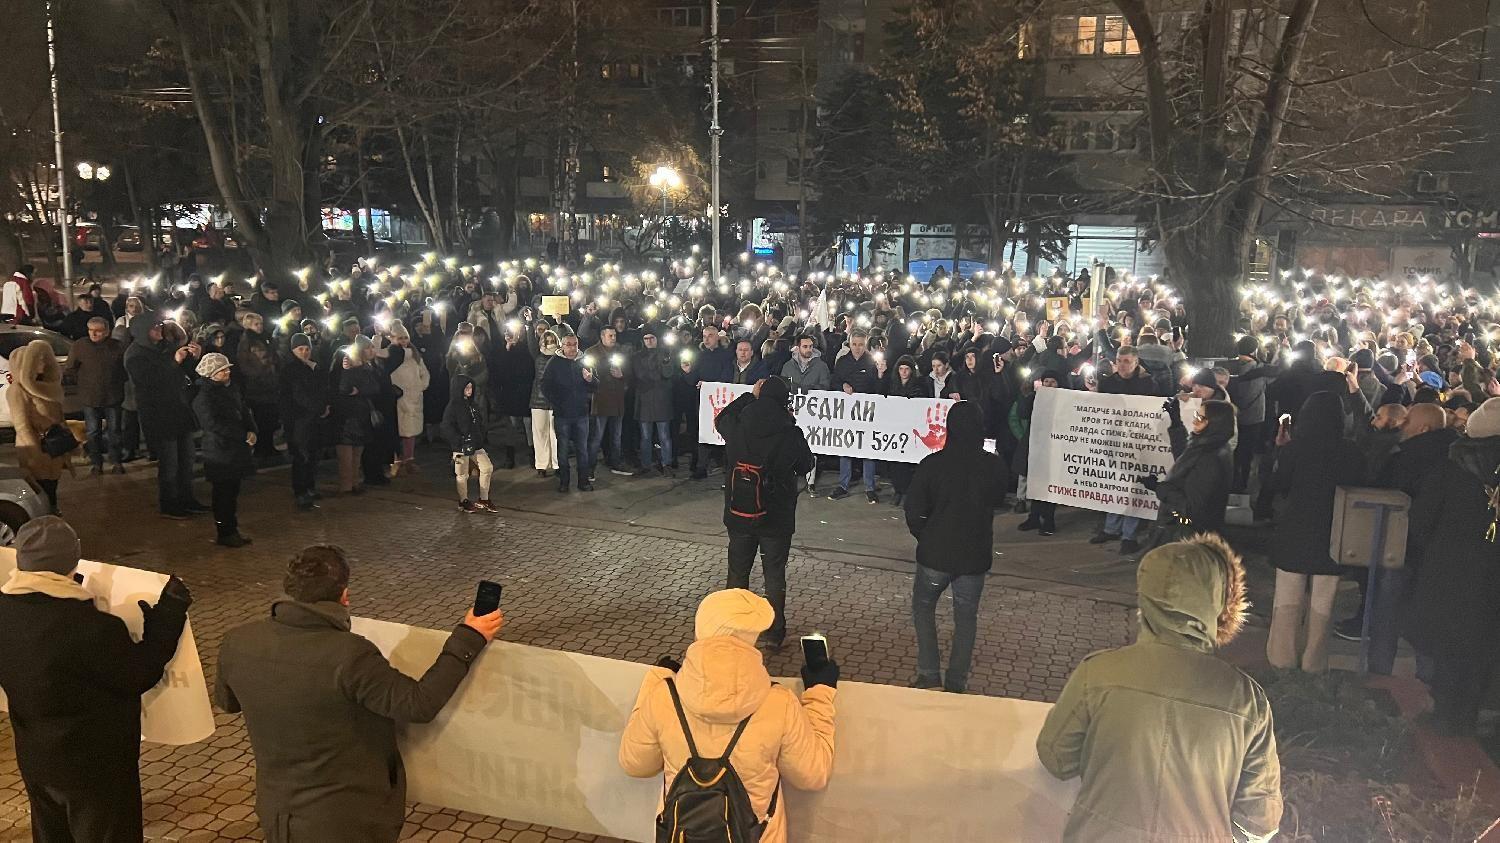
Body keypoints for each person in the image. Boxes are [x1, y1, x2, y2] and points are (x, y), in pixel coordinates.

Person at [215, 545, 504, 842]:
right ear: (344, 595)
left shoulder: (237, 641)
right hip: (345, 820)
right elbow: (419, 705)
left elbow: (228, 702)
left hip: (278, 811)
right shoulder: (350, 654)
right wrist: (470, 636)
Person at [1037, 536, 1282, 841]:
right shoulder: (1247, 700)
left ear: (1145, 598)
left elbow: (1056, 758)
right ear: (1221, 603)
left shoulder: (1097, 672)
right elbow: (1260, 821)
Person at [0, 517, 191, 843]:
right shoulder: (90, 626)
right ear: (72, 560)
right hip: (95, 766)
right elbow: (140, 673)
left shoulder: (5, 610)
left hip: (36, 757)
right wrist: (168, 615)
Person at [619, 589, 837, 843]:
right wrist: (820, 692)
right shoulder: (780, 703)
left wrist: (656, 679)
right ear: (753, 638)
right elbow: (813, 774)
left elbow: (634, 764)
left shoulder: (663, 697)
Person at [1403, 398, 1500, 735]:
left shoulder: (1451, 468)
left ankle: (1446, 713)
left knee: (1448, 642)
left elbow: (1421, 523)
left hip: (1450, 570)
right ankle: (1473, 712)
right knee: (1485, 642)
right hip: (1493, 574)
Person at [904, 400, 1007, 692]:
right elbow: (999, 498)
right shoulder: (993, 465)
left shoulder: (932, 464)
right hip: (973, 555)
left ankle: (928, 673)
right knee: (965, 618)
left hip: (935, 553)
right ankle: (956, 681)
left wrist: (925, 536)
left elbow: (913, 509)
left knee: (923, 608)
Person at [1266, 391, 1366, 672]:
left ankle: (1281, 659)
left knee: (1287, 599)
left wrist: (1280, 450)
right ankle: (1314, 661)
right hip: (1335, 533)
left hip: (1295, 531)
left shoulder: (1297, 448)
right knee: (1324, 602)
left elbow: (1277, 485)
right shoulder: (1351, 451)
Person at [714, 377, 815, 649]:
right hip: (776, 515)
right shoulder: (789, 431)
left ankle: (733, 626)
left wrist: (749, 395)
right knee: (774, 573)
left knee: (737, 572)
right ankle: (773, 630)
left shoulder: (739, 425)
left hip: (740, 512)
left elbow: (721, 418)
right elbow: (806, 463)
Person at [125, 314, 207, 518]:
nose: (159, 330)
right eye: (154, 327)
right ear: (143, 331)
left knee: (186, 459)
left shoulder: (164, 348)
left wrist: (193, 358)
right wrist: (173, 362)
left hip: (178, 410)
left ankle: (187, 498)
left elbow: (184, 371)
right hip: (159, 414)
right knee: (170, 463)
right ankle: (169, 504)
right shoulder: (135, 355)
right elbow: (148, 382)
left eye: (160, 326)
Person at [1139, 399, 1236, 551]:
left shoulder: (1210, 457)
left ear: (1216, 423)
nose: (1195, 421)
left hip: (1186, 531)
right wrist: (1176, 423)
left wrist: (1160, 488)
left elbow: (1191, 508)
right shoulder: (1208, 443)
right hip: (1188, 526)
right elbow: (1185, 458)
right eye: (1197, 415)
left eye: (1201, 418)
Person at [1090, 348, 1162, 550]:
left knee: (1134, 487)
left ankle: (1129, 535)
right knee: (1115, 484)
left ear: (1136, 362)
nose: (1122, 365)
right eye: (1119, 360)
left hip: (1138, 442)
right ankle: (1111, 528)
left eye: (1126, 361)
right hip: (1114, 439)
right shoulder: (1109, 382)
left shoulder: (1148, 383)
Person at [191, 352, 256, 547]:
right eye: (222, 370)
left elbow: (244, 410)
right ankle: (225, 532)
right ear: (211, 374)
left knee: (232, 492)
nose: (227, 372)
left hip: (234, 449)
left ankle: (231, 529)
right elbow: (213, 424)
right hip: (220, 451)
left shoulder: (231, 388)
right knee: (223, 494)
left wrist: (252, 429)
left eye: (227, 369)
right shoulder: (204, 397)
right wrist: (241, 434)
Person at [8, 339, 72, 514]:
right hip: (37, 450)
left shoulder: (47, 387)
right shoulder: (18, 391)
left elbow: (58, 415)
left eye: (45, 358)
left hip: (54, 447)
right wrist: (37, 453)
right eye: (38, 359)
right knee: (42, 489)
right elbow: (22, 426)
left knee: (52, 486)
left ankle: (52, 514)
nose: (43, 363)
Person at [67, 317, 129, 476]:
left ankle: (116, 461)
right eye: (90, 330)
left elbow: (124, 370)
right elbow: (71, 368)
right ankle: (96, 463)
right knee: (93, 432)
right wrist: (83, 383)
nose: (93, 334)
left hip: (112, 396)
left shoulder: (117, 347)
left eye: (98, 330)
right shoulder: (80, 346)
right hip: (90, 397)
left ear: (107, 332)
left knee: (114, 430)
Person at [830, 327, 883, 502]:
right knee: (846, 447)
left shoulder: (872, 363)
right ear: (849, 343)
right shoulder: (842, 361)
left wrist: (881, 375)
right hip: (846, 412)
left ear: (866, 344)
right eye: (854, 344)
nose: (857, 348)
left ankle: (870, 487)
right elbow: (834, 382)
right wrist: (843, 386)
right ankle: (843, 485)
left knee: (867, 448)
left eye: (861, 344)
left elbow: (880, 388)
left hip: (867, 412)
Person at [541, 333, 599, 492]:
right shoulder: (554, 363)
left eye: (575, 344)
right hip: (562, 414)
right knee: (563, 449)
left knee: (582, 449)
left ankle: (583, 481)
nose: (572, 348)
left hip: (581, 413)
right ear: (562, 345)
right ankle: (564, 482)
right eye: (568, 344)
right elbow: (545, 386)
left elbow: (595, 385)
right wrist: (557, 402)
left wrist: (590, 380)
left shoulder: (584, 361)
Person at [280, 333, 328, 509]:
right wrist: (319, 407)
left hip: (313, 418)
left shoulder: (313, 367)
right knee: (302, 456)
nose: (305, 352)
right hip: (299, 419)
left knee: (314, 454)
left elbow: (322, 388)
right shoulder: (290, 370)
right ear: (293, 350)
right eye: (301, 349)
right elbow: (299, 395)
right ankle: (300, 490)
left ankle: (310, 486)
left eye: (307, 349)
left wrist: (323, 406)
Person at [1016, 371, 1063, 535]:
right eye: (1046, 381)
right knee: (1035, 482)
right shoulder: (1035, 398)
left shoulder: (1064, 400)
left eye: (1053, 382)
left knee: (1050, 485)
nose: (1049, 385)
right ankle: (1034, 516)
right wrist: (1027, 393)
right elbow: (1022, 412)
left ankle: (1049, 520)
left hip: (1054, 447)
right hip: (1035, 446)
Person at [441, 375, 496, 513]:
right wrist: (459, 441)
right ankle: (463, 500)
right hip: (460, 447)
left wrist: (480, 436)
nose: (469, 390)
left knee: (487, 468)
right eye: (466, 388)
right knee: (462, 474)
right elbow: (446, 427)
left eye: (471, 387)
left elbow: (479, 422)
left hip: (475, 445)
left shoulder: (473, 404)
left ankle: (483, 498)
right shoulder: (453, 406)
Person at [235, 312, 283, 465]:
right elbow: (244, 364)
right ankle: (261, 448)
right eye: (257, 324)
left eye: (261, 324)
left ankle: (268, 446)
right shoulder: (247, 341)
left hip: (270, 384)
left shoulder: (265, 339)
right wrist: (259, 374)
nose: (260, 327)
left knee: (270, 418)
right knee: (261, 418)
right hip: (258, 386)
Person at [333, 336, 379, 494]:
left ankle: (354, 483)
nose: (372, 350)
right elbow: (344, 388)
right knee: (346, 453)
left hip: (360, 414)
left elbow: (374, 387)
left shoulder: (367, 366)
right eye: (368, 347)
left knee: (357, 452)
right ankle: (346, 486)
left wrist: (360, 390)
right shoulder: (348, 365)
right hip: (347, 415)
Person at [632, 327, 678, 475]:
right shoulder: (637, 356)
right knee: (645, 436)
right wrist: (657, 375)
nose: (649, 341)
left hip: (661, 400)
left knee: (664, 435)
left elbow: (668, 373)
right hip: (645, 400)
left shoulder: (666, 354)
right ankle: (646, 464)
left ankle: (666, 463)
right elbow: (640, 375)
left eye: (652, 338)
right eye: (646, 338)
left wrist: (664, 364)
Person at [386, 321, 430, 475]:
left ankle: (409, 458)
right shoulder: (391, 355)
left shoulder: (415, 356)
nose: (404, 341)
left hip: (414, 397)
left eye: (406, 338)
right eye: (400, 338)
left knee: (410, 431)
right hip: (399, 398)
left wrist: (420, 386)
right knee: (398, 430)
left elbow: (424, 372)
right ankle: (397, 460)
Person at [586, 326, 630, 478]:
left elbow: (628, 372)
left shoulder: (620, 352)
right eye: (610, 335)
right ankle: (589, 468)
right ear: (602, 336)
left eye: (614, 335)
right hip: (601, 400)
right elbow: (587, 375)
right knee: (596, 437)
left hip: (617, 401)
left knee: (616, 436)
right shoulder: (592, 353)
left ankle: (615, 463)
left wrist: (622, 375)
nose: (613, 338)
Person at [529, 329, 561, 477]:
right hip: (538, 401)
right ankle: (541, 464)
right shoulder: (538, 356)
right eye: (547, 341)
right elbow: (530, 344)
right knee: (540, 434)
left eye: (552, 341)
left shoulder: (561, 358)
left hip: (555, 402)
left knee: (555, 434)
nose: (550, 344)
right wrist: (529, 325)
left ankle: (556, 464)